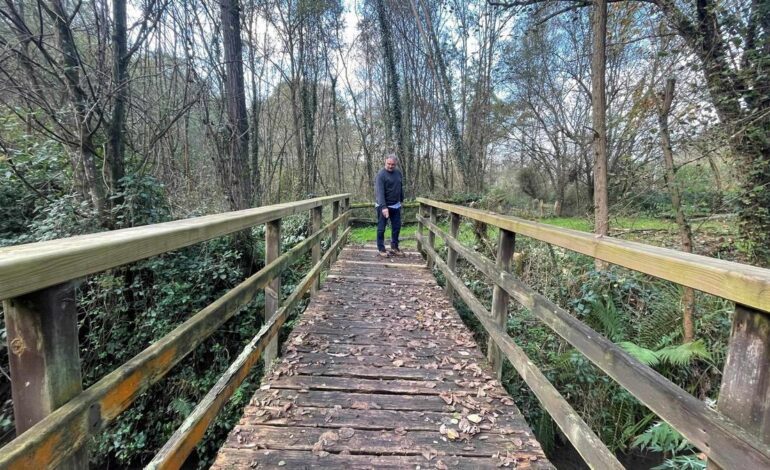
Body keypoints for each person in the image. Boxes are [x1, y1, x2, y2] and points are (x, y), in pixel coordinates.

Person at [374, 154, 405, 257]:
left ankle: (394, 247)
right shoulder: (381, 175)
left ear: (396, 164)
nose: (390, 166)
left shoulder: (398, 173)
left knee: (396, 227)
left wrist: (401, 200)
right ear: (385, 162)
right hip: (383, 205)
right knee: (381, 228)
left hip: (395, 205)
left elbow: (400, 186)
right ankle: (381, 249)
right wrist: (383, 207)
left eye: (393, 164)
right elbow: (380, 193)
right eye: (389, 164)